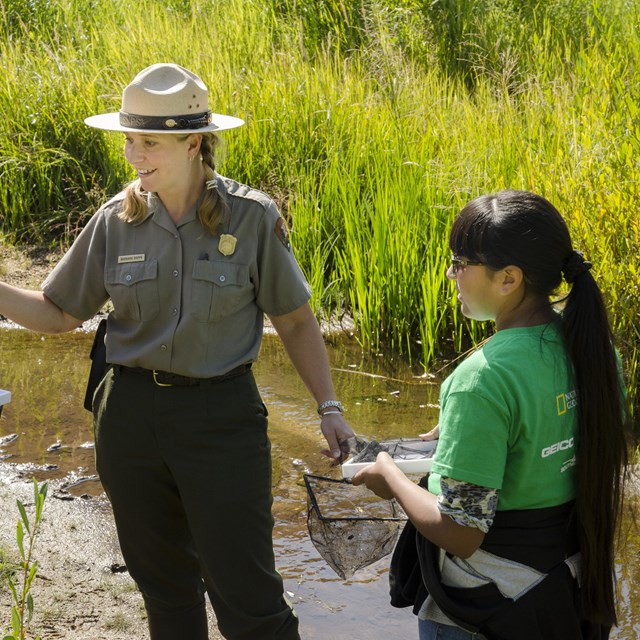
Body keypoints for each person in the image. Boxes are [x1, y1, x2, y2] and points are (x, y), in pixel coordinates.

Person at [0, 63, 354, 640]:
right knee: (164, 592)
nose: (135, 155)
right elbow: (58, 311)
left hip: (221, 421)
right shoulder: (115, 220)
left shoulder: (253, 218)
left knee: (249, 600)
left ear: (194, 143)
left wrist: (329, 408)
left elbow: (293, 319)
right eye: (130, 140)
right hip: (129, 421)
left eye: (150, 142)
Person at [352, 190, 633, 640]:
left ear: (508, 279)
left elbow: (462, 532)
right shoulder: (595, 353)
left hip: (488, 610)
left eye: (460, 263)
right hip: (562, 592)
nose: (451, 274)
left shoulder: (481, 379)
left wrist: (392, 477)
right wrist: (461, 434)